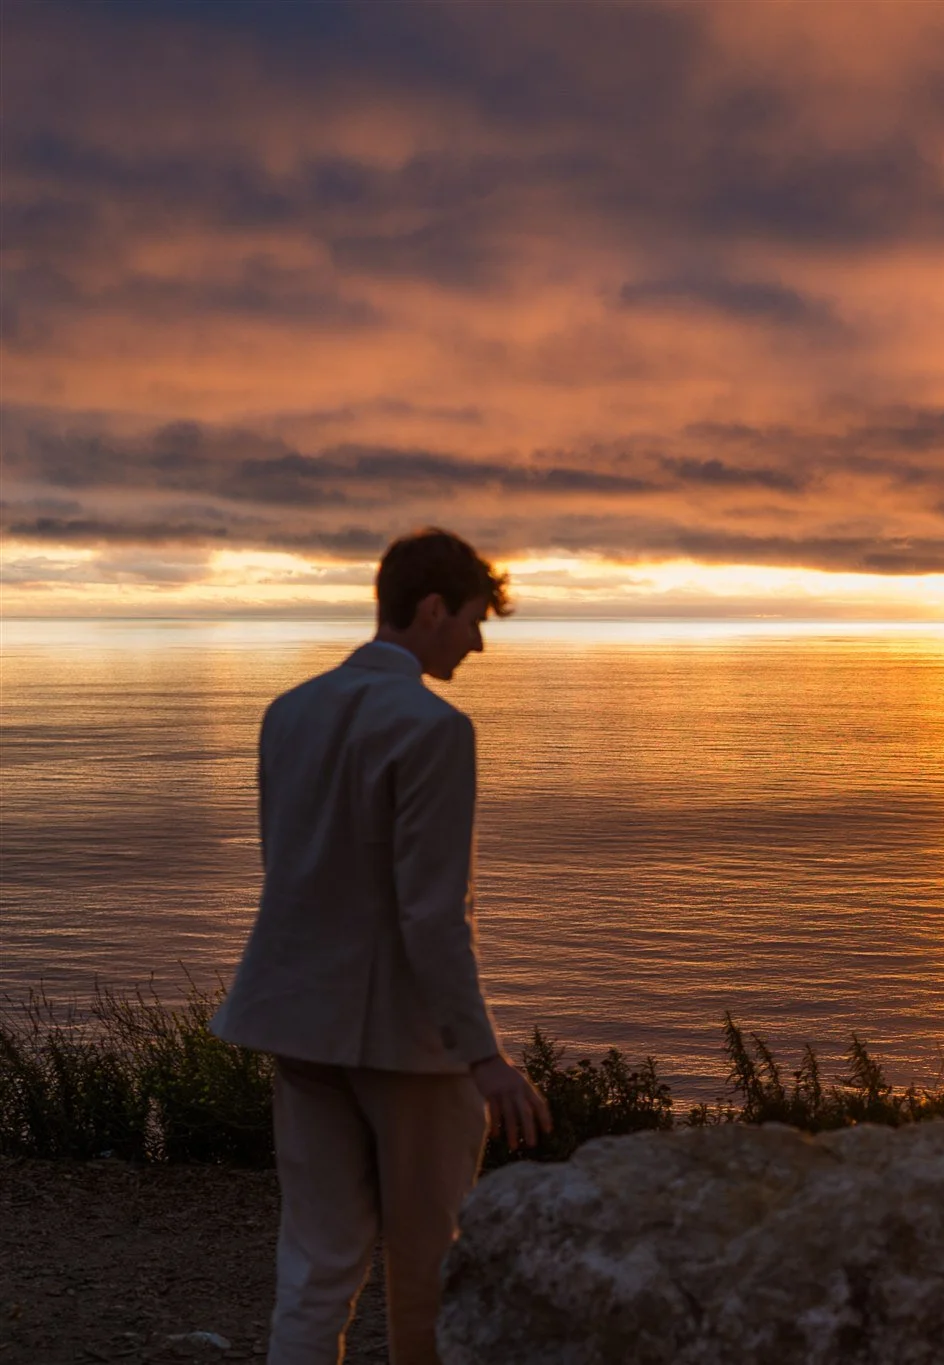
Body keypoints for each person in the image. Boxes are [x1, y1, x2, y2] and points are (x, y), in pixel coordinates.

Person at [211, 528, 551, 1365]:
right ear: (433, 608)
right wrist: (486, 1057)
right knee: (428, 1268)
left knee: (316, 1263)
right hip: (405, 1043)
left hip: (296, 1022)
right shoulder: (435, 728)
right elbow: (432, 915)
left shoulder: (287, 711)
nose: (477, 641)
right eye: (473, 620)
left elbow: (289, 869)